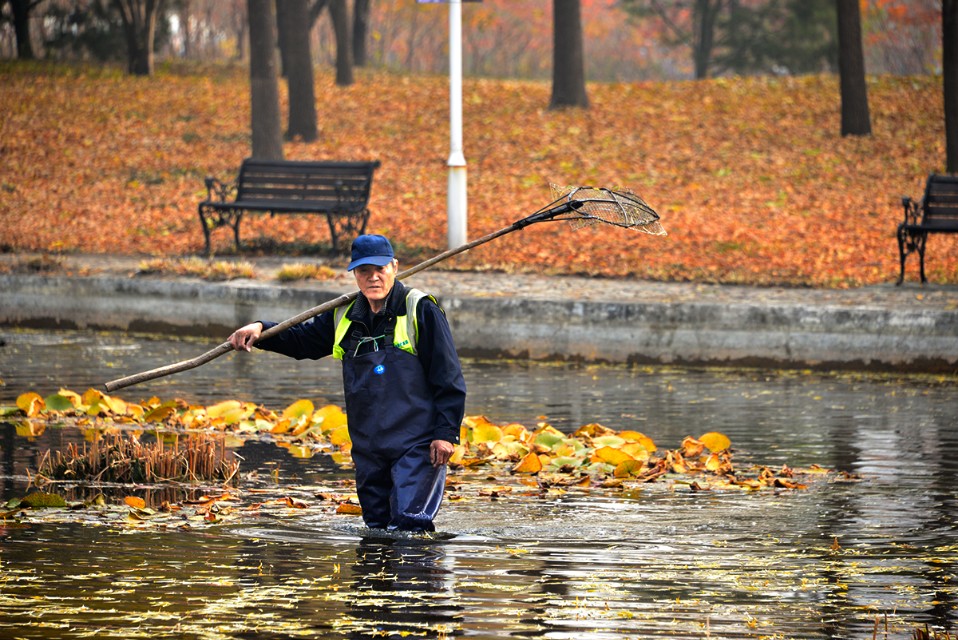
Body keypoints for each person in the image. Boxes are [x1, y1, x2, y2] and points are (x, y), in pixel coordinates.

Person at [228, 234, 467, 532]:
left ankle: (417, 578)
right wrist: (261, 329)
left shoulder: (421, 309)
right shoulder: (343, 315)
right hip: (368, 445)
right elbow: (302, 343)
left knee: (409, 524)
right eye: (364, 271)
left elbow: (448, 376)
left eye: (380, 269)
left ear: (394, 266)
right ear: (354, 274)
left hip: (416, 443)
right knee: (377, 526)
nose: (374, 277)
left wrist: (446, 434)